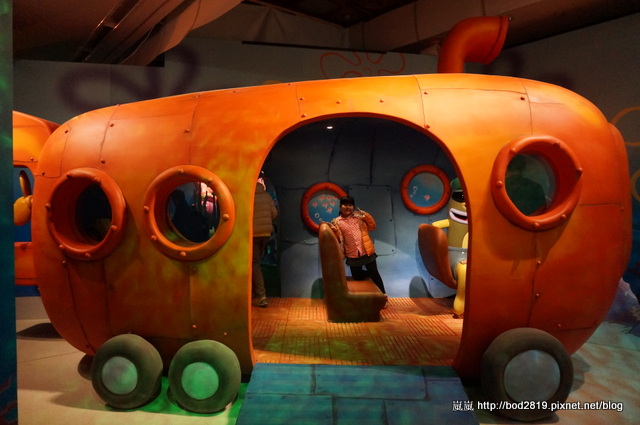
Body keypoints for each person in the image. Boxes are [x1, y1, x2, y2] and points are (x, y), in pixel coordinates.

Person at [330, 195, 386, 294]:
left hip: (366, 251)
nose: (348, 207)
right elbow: (339, 239)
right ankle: (369, 278)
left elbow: (372, 227)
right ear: (340, 206)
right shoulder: (337, 222)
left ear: (353, 206)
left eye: (350, 205)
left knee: (375, 274)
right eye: (345, 204)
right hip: (352, 253)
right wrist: (334, 230)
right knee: (356, 276)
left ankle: (383, 295)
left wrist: (366, 216)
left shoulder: (359, 217)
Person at [252, 179, 278, 307]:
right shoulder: (267, 196)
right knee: (257, 262)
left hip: (253, 234)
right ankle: (256, 291)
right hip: (266, 233)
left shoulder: (249, 197)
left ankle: (261, 296)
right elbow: (274, 214)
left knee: (254, 264)